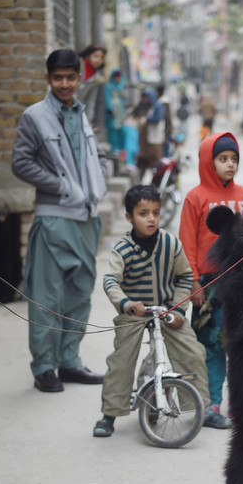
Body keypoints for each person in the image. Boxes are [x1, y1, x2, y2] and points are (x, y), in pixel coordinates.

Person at [11, 49, 107, 393]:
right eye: (58, 78)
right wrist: (60, 185)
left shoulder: (80, 114)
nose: (64, 84)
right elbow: (21, 163)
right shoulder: (35, 116)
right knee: (47, 297)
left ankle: (69, 362)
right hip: (53, 218)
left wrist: (100, 179)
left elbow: (94, 155)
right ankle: (44, 367)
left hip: (87, 217)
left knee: (80, 293)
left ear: (78, 78)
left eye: (70, 77)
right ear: (48, 79)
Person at [94, 185, 214, 437]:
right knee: (121, 361)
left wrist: (178, 308)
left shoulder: (171, 244)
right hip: (135, 313)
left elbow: (184, 276)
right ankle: (110, 414)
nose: (151, 219)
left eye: (156, 213)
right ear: (129, 217)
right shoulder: (123, 249)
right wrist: (127, 303)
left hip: (166, 310)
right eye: (143, 213)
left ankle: (201, 408)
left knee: (192, 351)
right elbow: (110, 281)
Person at [179, 133, 243, 428]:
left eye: (234, 159)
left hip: (242, 284)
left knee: (241, 346)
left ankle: (242, 407)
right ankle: (211, 405)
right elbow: (186, 241)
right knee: (211, 345)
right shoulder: (195, 198)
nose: (230, 164)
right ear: (208, 162)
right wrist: (194, 282)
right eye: (223, 159)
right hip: (209, 287)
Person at [135, 87, 169, 182]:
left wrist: (147, 119)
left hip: (155, 142)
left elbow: (157, 119)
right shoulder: (148, 108)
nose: (145, 100)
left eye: (147, 97)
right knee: (142, 167)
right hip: (146, 144)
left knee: (157, 169)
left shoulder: (158, 107)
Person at [77, 45, 108, 146]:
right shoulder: (77, 66)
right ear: (88, 55)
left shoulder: (97, 77)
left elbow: (91, 100)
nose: (98, 60)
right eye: (96, 56)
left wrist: (89, 120)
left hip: (80, 111)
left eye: (101, 58)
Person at [104, 67, 127, 152]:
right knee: (113, 130)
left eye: (119, 77)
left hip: (120, 111)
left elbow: (124, 99)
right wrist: (111, 109)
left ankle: (120, 150)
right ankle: (113, 149)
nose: (118, 79)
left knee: (120, 130)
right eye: (116, 77)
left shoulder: (121, 86)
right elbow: (107, 98)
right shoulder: (109, 86)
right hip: (113, 111)